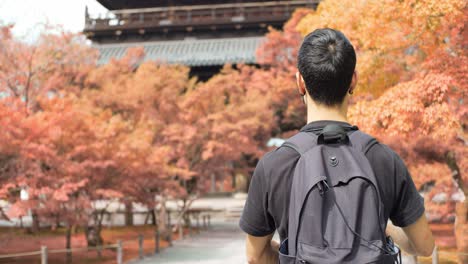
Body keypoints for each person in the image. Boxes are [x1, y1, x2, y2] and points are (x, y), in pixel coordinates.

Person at [239, 28, 435, 264]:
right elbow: (423, 246)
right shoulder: (384, 159)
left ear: (300, 82)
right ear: (353, 80)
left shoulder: (273, 165)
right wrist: (385, 232)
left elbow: (255, 256)